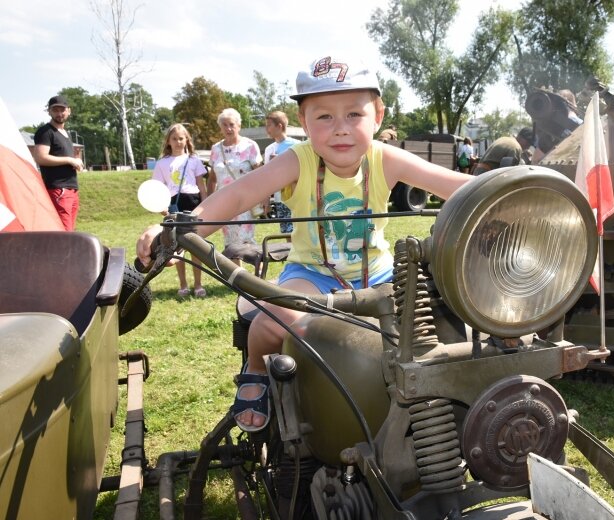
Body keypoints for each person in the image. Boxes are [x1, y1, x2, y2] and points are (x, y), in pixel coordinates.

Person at [136, 55, 473, 432]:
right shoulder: (297, 161)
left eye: (354, 115)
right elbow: (235, 197)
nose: (340, 129)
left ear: (377, 115)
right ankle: (258, 371)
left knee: (440, 329)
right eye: (324, 117)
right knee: (270, 324)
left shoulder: (385, 159)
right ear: (303, 122)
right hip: (311, 274)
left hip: (379, 278)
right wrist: (179, 231)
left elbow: (457, 186)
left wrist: (521, 189)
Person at [152, 124, 209, 298]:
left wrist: (205, 203)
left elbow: (201, 184)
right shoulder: (162, 163)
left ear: (187, 140)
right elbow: (158, 187)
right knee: (177, 246)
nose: (178, 142)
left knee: (196, 245)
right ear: (168, 141)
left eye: (181, 138)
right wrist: (161, 206)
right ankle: (183, 284)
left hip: (193, 201)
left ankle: (198, 284)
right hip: (173, 203)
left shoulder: (194, 160)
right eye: (174, 138)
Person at [209, 108, 263, 262]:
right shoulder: (215, 149)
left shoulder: (249, 146)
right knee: (230, 241)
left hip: (245, 200)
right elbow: (212, 178)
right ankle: (237, 278)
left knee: (246, 240)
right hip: (224, 202)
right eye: (224, 125)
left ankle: (255, 277)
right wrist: (209, 200)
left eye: (231, 124)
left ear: (239, 125)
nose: (228, 128)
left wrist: (264, 197)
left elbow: (261, 174)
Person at [32, 95, 84, 230]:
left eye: (62, 110)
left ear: (69, 111)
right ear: (49, 111)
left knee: (69, 230)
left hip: (71, 189)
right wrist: (69, 160)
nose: (59, 113)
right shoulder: (46, 132)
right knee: (64, 233)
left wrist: (76, 160)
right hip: (58, 189)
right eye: (55, 110)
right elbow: (40, 157)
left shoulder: (65, 133)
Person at [263, 111, 298, 233]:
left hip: (297, 197)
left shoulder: (297, 145)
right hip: (279, 199)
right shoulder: (269, 149)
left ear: (280, 126)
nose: (266, 129)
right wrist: (266, 201)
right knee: (286, 232)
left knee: (301, 231)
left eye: (269, 125)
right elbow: (267, 177)